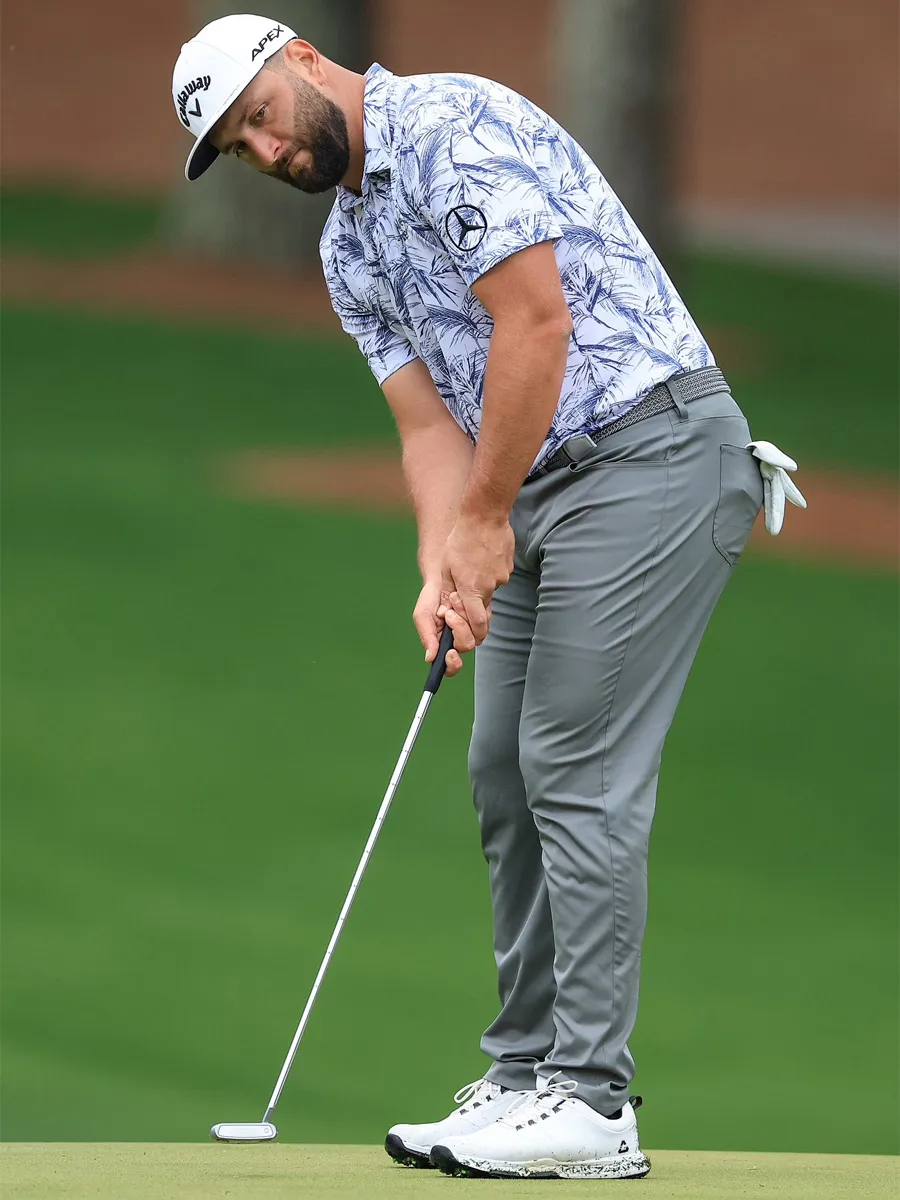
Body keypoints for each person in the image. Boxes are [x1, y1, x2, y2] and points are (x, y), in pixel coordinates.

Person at [172, 14, 806, 1181]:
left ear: (304, 57)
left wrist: (483, 516)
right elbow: (425, 429)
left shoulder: (449, 123)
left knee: (573, 760)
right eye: (238, 147)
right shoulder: (346, 248)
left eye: (257, 115)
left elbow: (537, 321)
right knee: (501, 762)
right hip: (536, 482)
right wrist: (442, 561)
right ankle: (523, 1077)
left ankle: (592, 1100)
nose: (264, 150)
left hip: (653, 451)